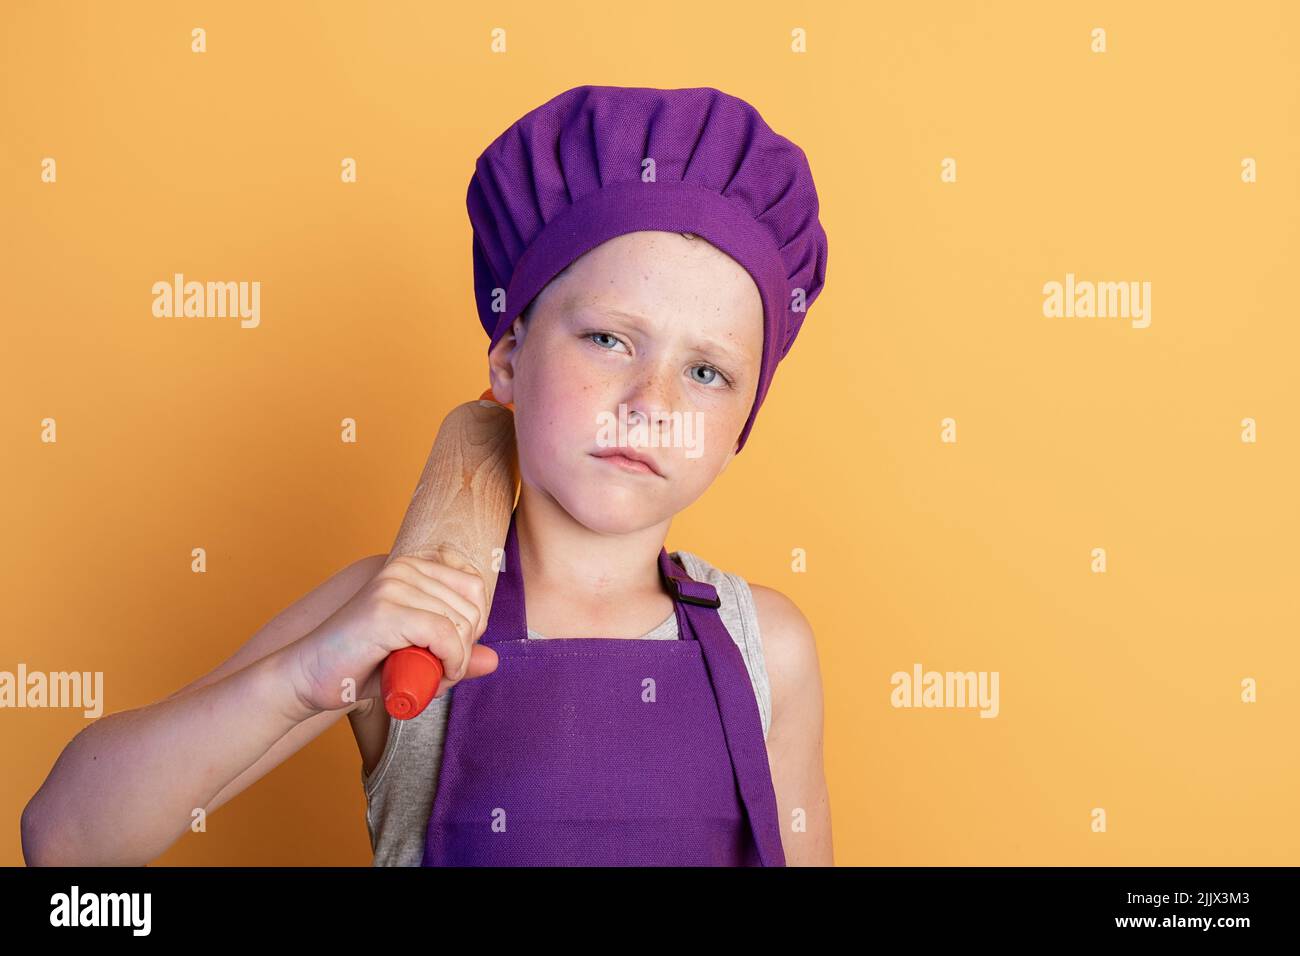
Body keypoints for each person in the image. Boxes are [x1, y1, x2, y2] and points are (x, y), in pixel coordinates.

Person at [21, 84, 832, 867]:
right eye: (609, 340)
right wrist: (303, 678)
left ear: (740, 430)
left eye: (707, 373)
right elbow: (64, 841)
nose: (650, 403)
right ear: (509, 360)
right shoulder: (396, 610)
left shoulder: (767, 645)